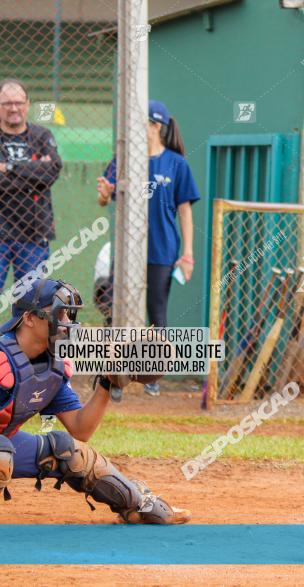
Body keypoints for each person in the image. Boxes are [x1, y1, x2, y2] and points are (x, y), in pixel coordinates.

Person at [0, 278, 190, 523]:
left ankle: (136, 504)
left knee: (69, 452)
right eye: (59, 314)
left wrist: (108, 382)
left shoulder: (52, 367)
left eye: (69, 316)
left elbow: (81, 428)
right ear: (28, 318)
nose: (67, 323)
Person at [97, 100, 199, 396]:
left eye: (140, 122)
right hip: (127, 250)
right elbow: (105, 198)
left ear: (155, 126)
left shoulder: (176, 163)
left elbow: (185, 212)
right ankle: (114, 377)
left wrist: (188, 255)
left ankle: (151, 375)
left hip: (162, 249)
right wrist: (104, 194)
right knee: (116, 311)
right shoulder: (124, 158)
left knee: (157, 313)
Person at [0, 79, 63, 290]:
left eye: (18, 102)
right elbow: (42, 174)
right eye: (7, 103)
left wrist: (9, 168)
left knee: (29, 305)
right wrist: (33, 172)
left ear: (28, 104)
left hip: (34, 234)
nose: (13, 108)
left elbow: (52, 170)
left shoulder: (42, 136)